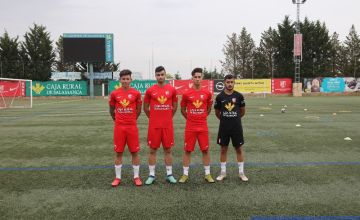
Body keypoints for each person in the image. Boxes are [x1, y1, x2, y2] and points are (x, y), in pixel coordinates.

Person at [179, 67, 215, 183]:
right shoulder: (186, 94)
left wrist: (202, 117)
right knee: (187, 150)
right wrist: (190, 118)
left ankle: (207, 174)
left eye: (199, 77)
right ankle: (185, 174)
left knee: (205, 150)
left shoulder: (207, 93)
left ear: (202, 78)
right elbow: (183, 109)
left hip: (203, 126)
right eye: (195, 77)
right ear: (192, 78)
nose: (197, 79)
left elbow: (208, 108)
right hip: (190, 127)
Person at [143, 66, 178, 185]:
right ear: (155, 76)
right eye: (158, 75)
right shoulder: (150, 90)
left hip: (167, 126)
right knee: (152, 150)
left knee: (168, 150)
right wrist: (153, 118)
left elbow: (174, 107)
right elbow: (145, 108)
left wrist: (167, 117)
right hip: (154, 126)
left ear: (165, 75)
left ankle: (169, 174)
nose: (160, 77)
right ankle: (151, 175)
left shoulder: (172, 90)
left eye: (162, 74)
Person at [109, 69, 143, 187]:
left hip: (132, 127)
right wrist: (117, 120)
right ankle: (117, 178)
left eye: (127, 79)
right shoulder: (114, 93)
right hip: (119, 127)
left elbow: (138, 110)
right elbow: (111, 110)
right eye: (123, 79)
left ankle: (136, 177)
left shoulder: (136, 93)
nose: (125, 81)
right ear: (120, 80)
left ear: (131, 80)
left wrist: (132, 119)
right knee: (118, 153)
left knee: (135, 152)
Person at [214, 74, 248, 182]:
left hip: (236, 127)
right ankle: (223, 173)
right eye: (228, 82)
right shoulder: (219, 97)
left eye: (231, 82)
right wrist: (225, 119)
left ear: (234, 83)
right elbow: (217, 112)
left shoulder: (239, 96)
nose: (230, 84)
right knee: (223, 149)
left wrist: (235, 118)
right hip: (224, 127)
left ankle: (241, 173)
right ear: (224, 83)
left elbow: (242, 112)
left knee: (238, 149)